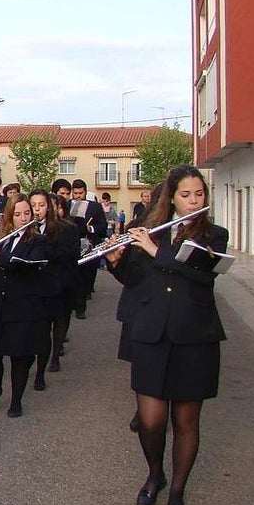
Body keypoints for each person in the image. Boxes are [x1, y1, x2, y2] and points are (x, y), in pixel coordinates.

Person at [106, 166, 227, 505]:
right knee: (151, 421)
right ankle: (155, 474)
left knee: (187, 421)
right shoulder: (149, 232)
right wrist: (116, 262)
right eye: (186, 195)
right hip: (151, 335)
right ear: (171, 197)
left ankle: (177, 491)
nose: (193, 201)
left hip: (195, 337)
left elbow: (200, 277)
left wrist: (154, 250)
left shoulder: (214, 236)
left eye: (199, 194)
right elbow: (136, 281)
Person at [0, 194, 49, 418]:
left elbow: (25, 269)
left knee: (19, 356)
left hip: (21, 307)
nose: (23, 218)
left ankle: (16, 399)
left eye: (27, 213)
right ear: (9, 216)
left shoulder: (37, 241)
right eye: (17, 214)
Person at [110, 182, 164, 433]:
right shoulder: (136, 228)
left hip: (167, 308)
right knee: (140, 362)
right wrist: (115, 262)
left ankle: (159, 407)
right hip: (138, 305)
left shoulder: (182, 233)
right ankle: (143, 407)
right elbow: (129, 277)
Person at [29, 189, 77, 385]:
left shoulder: (64, 228)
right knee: (37, 329)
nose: (37, 209)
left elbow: (70, 253)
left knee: (54, 323)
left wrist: (43, 248)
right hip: (33, 286)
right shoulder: (26, 228)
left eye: (41, 205)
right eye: (33, 205)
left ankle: (51, 359)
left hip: (57, 283)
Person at [68, 178, 107, 319]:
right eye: (75, 193)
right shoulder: (67, 205)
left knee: (84, 277)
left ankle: (81, 307)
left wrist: (89, 228)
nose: (78, 196)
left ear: (85, 192)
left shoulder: (94, 207)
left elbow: (102, 226)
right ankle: (72, 302)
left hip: (88, 245)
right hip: (71, 245)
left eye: (80, 193)